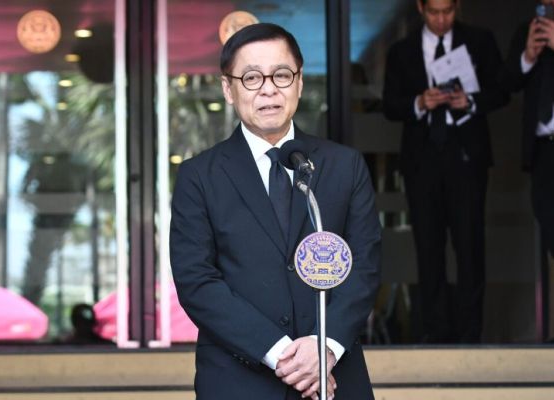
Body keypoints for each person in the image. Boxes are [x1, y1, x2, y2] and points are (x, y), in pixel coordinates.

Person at [170, 23, 381, 400]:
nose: (268, 89)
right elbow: (197, 281)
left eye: (281, 75)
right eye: (251, 78)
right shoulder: (199, 176)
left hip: (334, 378)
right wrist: (287, 357)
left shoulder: (344, 166)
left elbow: (365, 266)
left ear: (299, 82)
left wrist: (325, 348)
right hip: (238, 381)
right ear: (228, 89)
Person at [382, 0, 508, 343]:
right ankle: (435, 332)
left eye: (448, 11)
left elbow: (502, 90)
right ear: (421, 8)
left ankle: (470, 334)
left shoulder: (479, 41)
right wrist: (420, 102)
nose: (441, 19)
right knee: (428, 246)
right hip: (422, 160)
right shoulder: (402, 50)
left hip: (467, 157)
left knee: (470, 246)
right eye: (434, 12)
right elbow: (390, 104)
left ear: (457, 8)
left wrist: (471, 101)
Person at [499, 0, 554, 268]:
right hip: (543, 149)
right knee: (552, 228)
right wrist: (528, 57)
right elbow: (507, 82)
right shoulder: (528, 31)